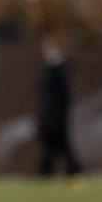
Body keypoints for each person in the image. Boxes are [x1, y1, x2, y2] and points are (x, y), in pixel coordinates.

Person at [37, 34, 83, 177]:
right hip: (55, 114)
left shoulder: (56, 68)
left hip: (55, 115)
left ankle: (52, 172)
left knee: (56, 145)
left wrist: (50, 112)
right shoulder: (56, 67)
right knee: (58, 146)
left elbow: (57, 93)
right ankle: (66, 171)